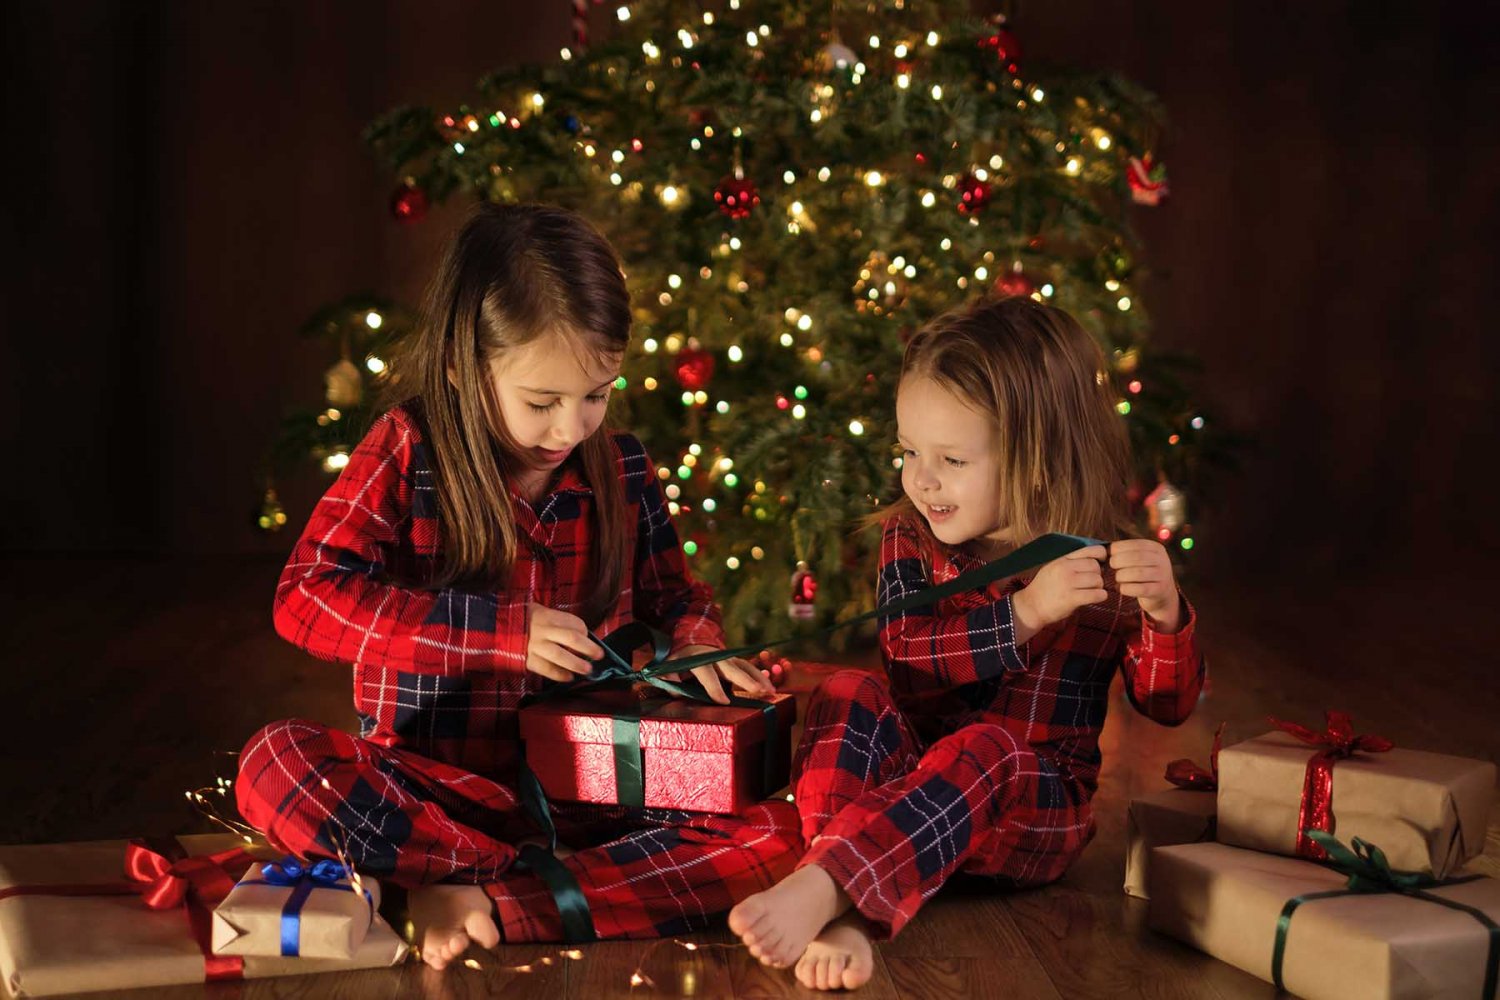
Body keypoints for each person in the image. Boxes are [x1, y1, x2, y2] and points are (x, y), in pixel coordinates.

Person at [236, 203, 799, 970]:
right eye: (542, 402)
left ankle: (461, 890)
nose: (571, 428)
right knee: (273, 764)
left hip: (592, 792)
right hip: (429, 791)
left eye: (596, 394)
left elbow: (678, 598)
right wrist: (500, 632)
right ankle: (509, 879)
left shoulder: (624, 468)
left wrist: (698, 647)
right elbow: (305, 596)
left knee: (777, 828)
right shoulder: (408, 449)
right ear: (464, 365)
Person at [729, 295, 1206, 990]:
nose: (921, 479)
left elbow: (1167, 706)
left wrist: (1164, 615)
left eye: (951, 458)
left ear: (1039, 459)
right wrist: (1025, 613)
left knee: (987, 748)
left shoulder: (1104, 562)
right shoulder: (910, 536)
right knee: (846, 690)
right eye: (909, 451)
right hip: (904, 802)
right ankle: (844, 908)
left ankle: (827, 881)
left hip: (1026, 813)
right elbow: (907, 662)